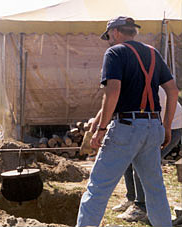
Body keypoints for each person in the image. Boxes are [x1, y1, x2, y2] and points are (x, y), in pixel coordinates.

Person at [76, 16, 179, 227]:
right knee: (155, 190)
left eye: (109, 37)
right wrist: (166, 126)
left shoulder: (115, 52)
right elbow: (172, 91)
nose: (109, 41)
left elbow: (112, 92)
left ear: (115, 32)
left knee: (98, 188)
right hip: (152, 127)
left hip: (127, 127)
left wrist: (101, 129)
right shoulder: (153, 53)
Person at [113, 87, 182, 222]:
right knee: (129, 160)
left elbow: (143, 119)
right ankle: (132, 200)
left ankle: (141, 208)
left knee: (143, 164)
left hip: (171, 127)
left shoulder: (146, 87)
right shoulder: (130, 85)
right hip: (152, 124)